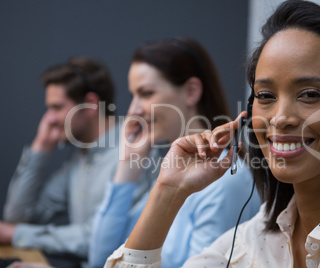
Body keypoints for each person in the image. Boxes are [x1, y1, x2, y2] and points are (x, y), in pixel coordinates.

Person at [104, 1, 320, 267]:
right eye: (265, 95)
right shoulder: (254, 238)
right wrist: (168, 191)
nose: (281, 117)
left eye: (310, 94)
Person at [89, 37, 261, 268]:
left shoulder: (224, 181)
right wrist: (128, 162)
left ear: (191, 92)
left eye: (146, 93)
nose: (133, 110)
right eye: (133, 95)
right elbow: (102, 258)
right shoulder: (172, 168)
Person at [1, 56, 119, 265]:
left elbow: (100, 241)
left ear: (91, 104)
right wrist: (40, 148)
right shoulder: (77, 163)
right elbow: (17, 217)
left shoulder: (135, 155)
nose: (49, 119)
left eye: (57, 107)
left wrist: (16, 233)